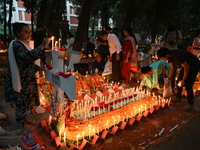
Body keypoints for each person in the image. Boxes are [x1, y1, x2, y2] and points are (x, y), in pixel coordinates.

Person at [4, 22, 51, 130]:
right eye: (25, 32)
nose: (28, 34)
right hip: (20, 78)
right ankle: (21, 124)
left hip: (26, 77)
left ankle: (24, 119)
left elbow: (24, 61)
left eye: (29, 32)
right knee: (20, 100)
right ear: (17, 32)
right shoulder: (16, 44)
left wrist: (36, 67)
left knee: (25, 99)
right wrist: (42, 45)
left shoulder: (23, 44)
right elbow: (27, 57)